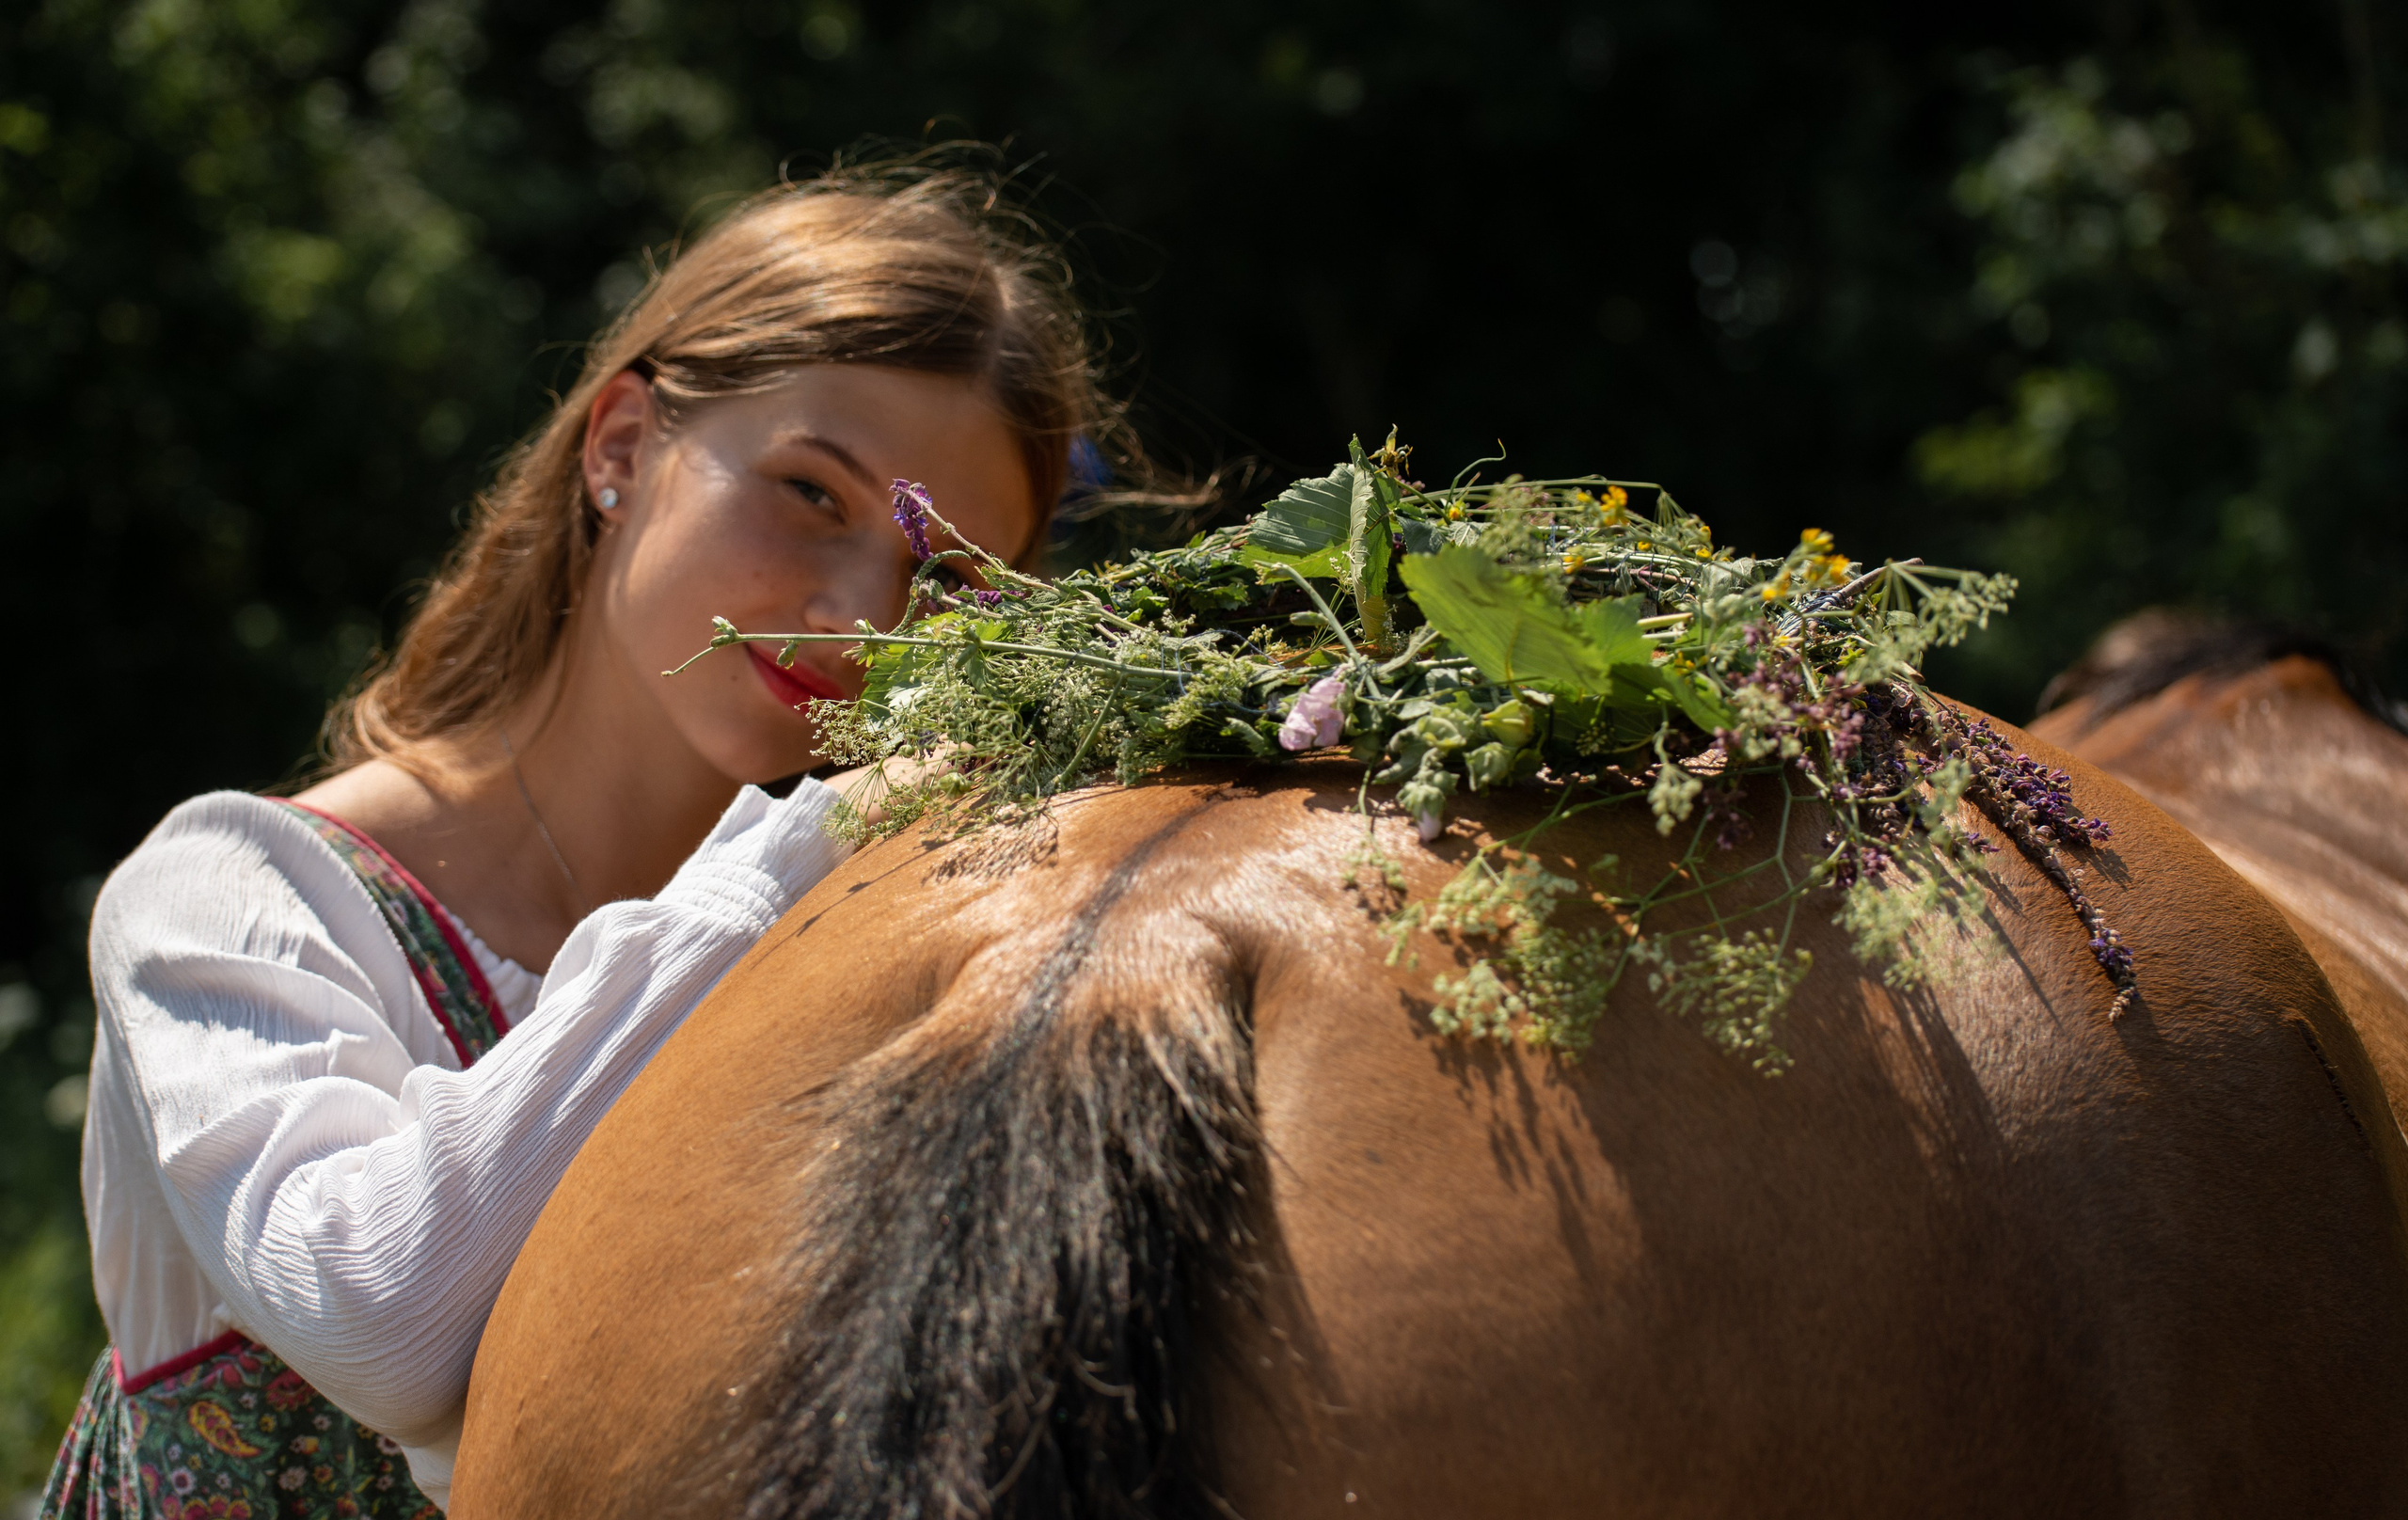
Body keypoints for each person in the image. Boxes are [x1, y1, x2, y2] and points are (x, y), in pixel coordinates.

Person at [40, 159, 1132, 1518]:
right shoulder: (230, 892)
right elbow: (381, 1315)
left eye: (947, 576)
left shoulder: (884, 965)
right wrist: (812, 846)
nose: (865, 618)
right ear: (622, 446)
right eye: (811, 492)